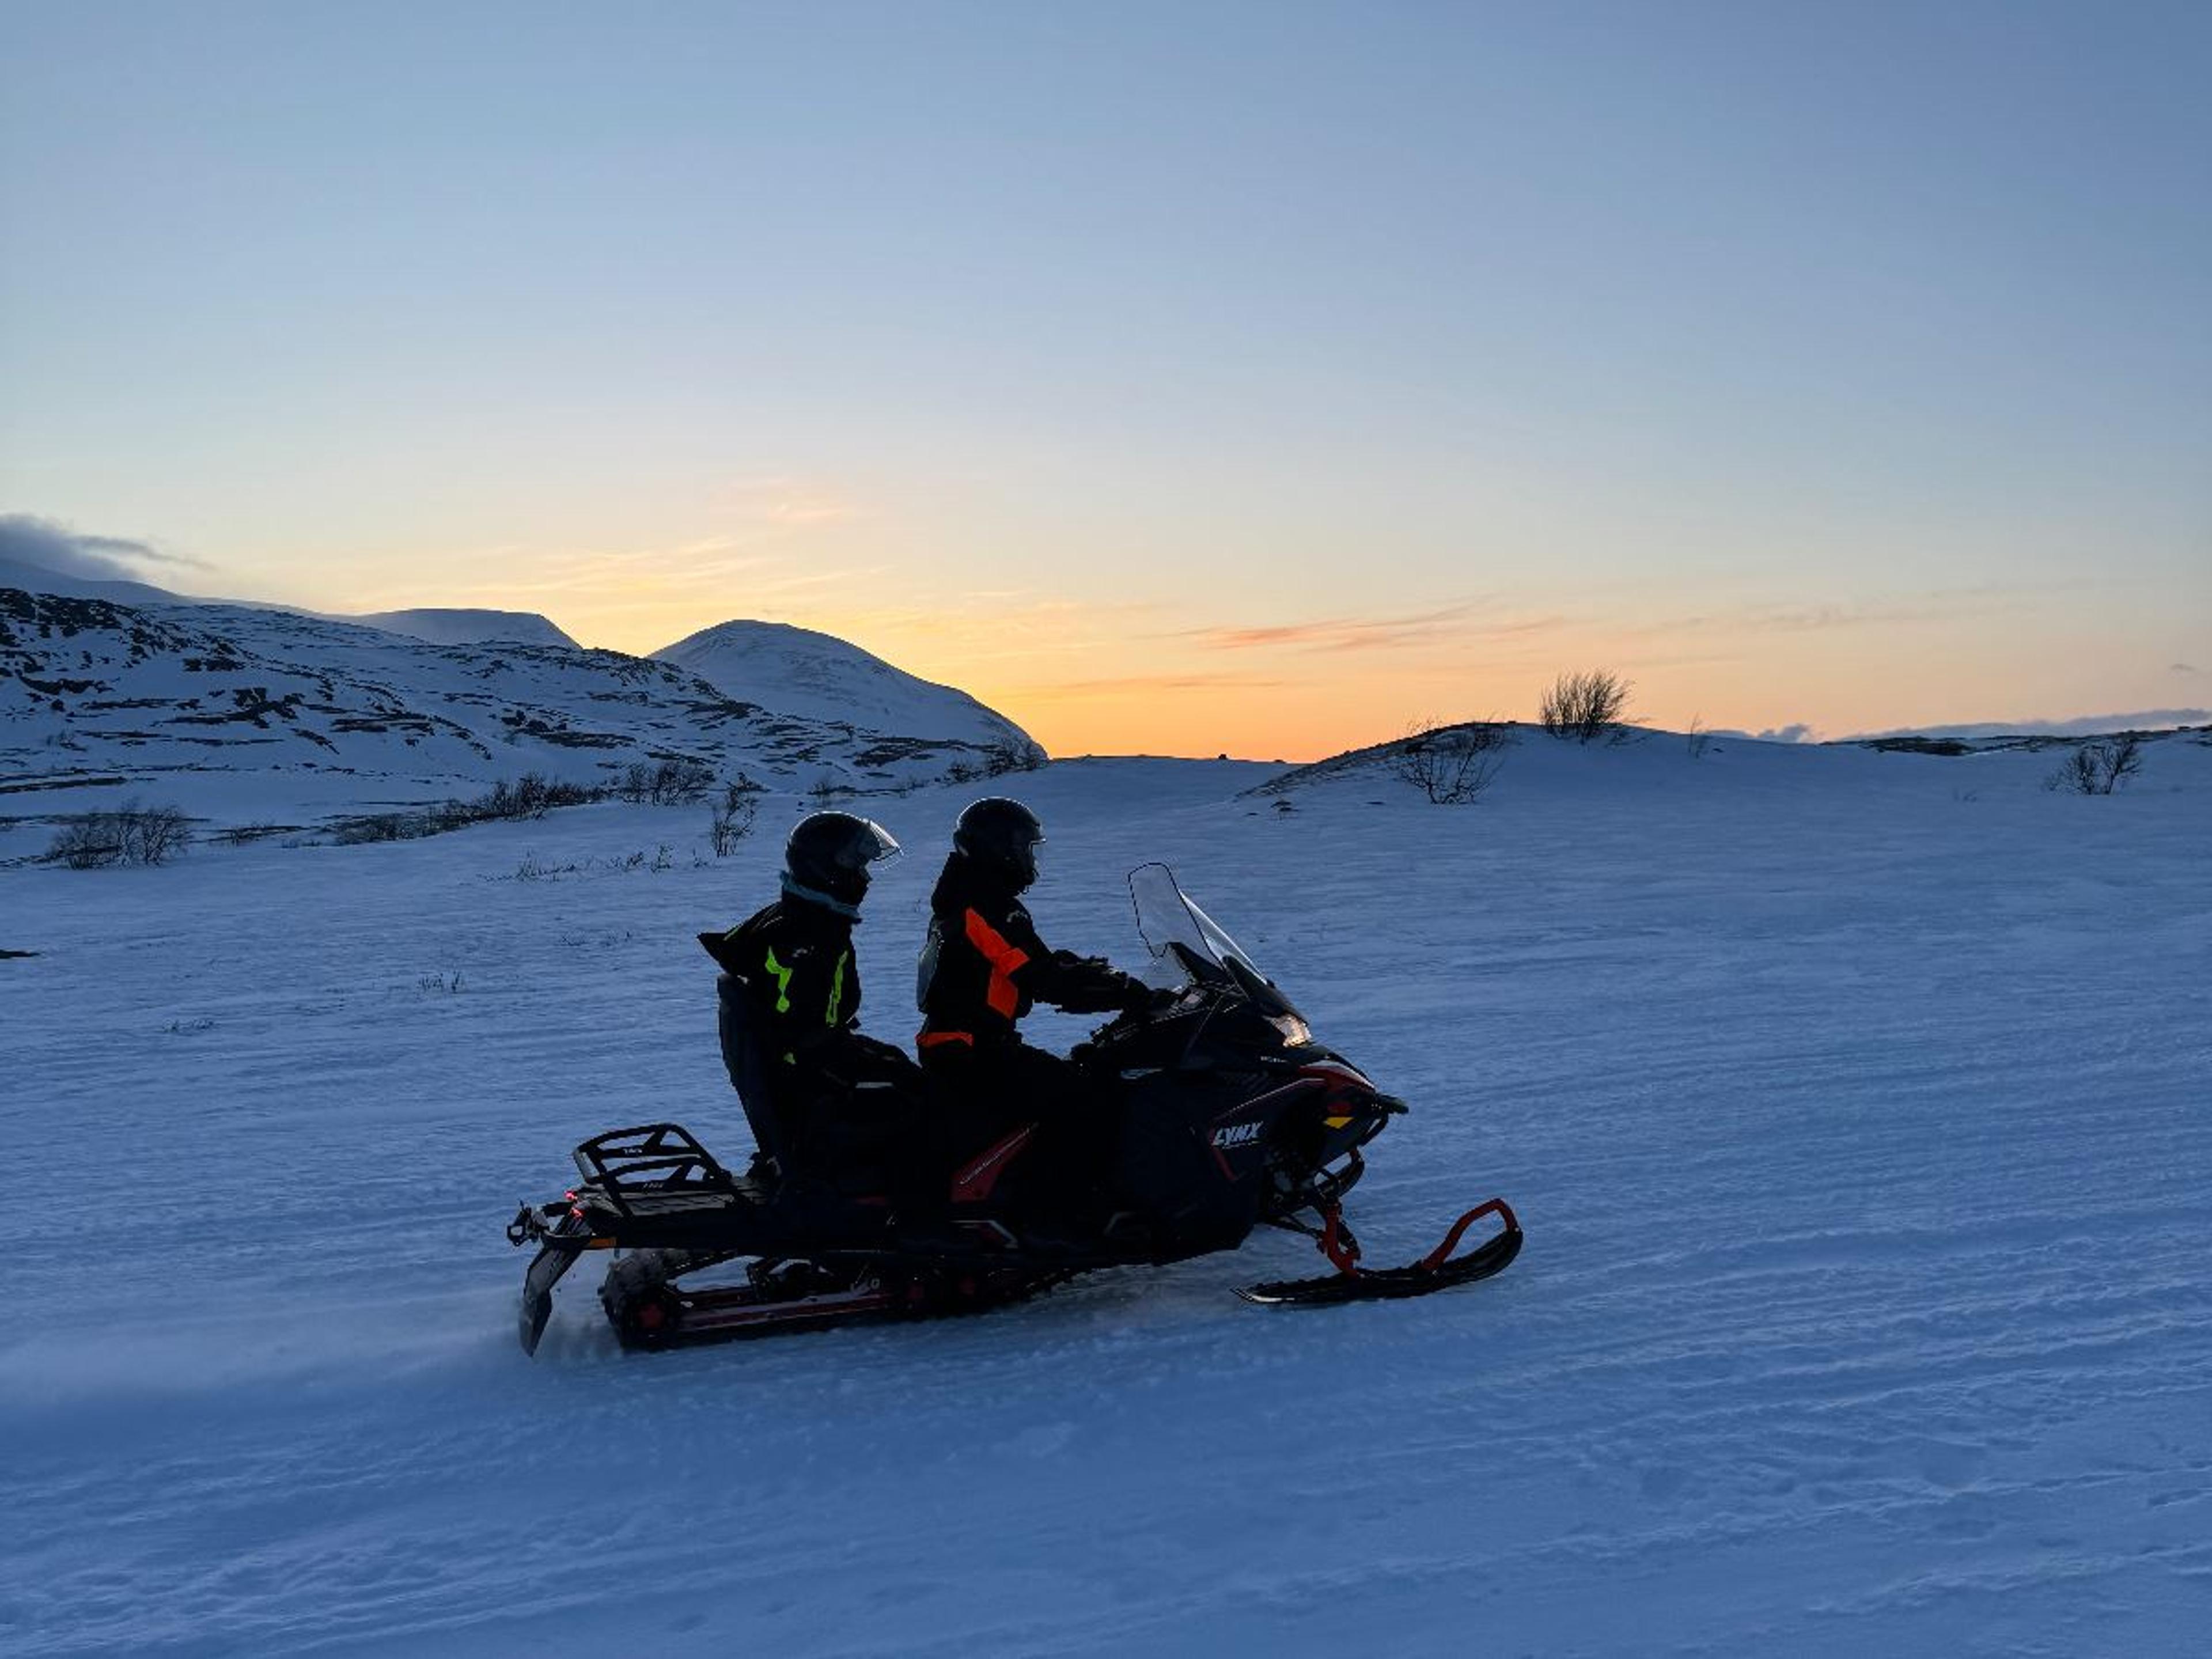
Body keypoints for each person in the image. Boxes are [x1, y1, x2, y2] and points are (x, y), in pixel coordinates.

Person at [915, 797, 1156, 1236]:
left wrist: (1087, 971)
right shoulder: (982, 905)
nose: (1030, 858)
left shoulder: (973, 896)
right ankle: (1060, 1215)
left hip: (968, 1043)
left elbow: (1024, 960)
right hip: (971, 1052)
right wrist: (1121, 993)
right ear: (998, 849)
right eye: (1024, 847)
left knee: (1079, 1079)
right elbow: (1037, 976)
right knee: (1084, 1099)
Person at [701, 811, 926, 1196]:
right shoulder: (810, 935)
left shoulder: (796, 914)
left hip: (798, 1062)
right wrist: (851, 1056)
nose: (864, 877)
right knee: (926, 1101)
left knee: (902, 1068)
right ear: (825, 868)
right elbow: (801, 1029)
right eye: (856, 865)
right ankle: (920, 1215)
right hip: (803, 1072)